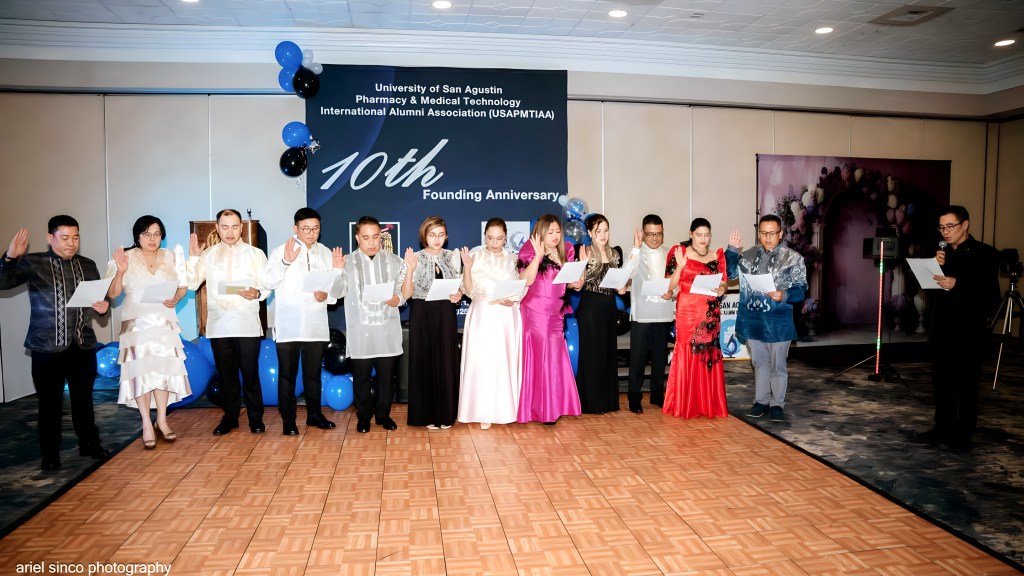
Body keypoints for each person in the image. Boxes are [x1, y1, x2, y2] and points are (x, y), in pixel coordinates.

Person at [0, 216, 111, 470]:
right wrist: (10, 257)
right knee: (49, 404)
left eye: (76, 237)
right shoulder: (33, 262)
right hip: (46, 347)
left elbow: (98, 304)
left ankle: (90, 444)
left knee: (84, 401)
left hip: (82, 345)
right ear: (50, 238)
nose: (72, 243)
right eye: (65, 238)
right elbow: (3, 282)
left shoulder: (88, 265)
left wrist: (103, 308)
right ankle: (50, 454)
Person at [918, 205, 999, 449]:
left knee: (966, 383)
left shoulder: (985, 253)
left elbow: (991, 296)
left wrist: (957, 284)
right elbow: (930, 289)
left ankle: (964, 433)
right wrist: (932, 268)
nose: (945, 231)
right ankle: (943, 426)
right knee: (941, 380)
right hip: (942, 326)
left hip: (968, 329)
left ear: (965, 225)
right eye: (941, 227)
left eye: (950, 226)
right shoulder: (941, 253)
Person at [106, 216, 191, 449]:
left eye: (156, 234)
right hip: (136, 325)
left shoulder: (172, 257)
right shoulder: (124, 257)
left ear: (162, 235)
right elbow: (112, 294)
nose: (152, 239)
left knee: (163, 371)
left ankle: (162, 420)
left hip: (164, 322)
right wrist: (120, 272)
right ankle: (146, 423)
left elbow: (183, 287)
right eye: (146, 234)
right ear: (137, 236)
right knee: (140, 373)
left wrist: (176, 298)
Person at [261, 207, 345, 436]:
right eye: (306, 229)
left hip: (316, 325)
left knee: (313, 374)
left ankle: (314, 415)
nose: (311, 233)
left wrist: (327, 293)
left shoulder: (326, 253)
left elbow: (338, 291)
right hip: (289, 325)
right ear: (295, 228)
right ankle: (288, 420)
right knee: (287, 376)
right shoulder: (281, 251)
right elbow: (267, 282)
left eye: (315, 228)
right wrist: (285, 262)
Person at [186, 208, 269, 436]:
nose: (230, 232)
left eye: (234, 226)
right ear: (217, 228)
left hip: (247, 324)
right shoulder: (208, 255)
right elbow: (192, 284)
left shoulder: (256, 254)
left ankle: (256, 419)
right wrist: (193, 258)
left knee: (250, 374)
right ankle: (230, 417)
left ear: (241, 227)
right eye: (224, 227)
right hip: (220, 325)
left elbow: (267, 285)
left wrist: (258, 293)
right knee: (226, 376)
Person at [726, 214, 807, 422]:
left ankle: (777, 404)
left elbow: (801, 289)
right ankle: (761, 401)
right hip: (753, 321)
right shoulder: (749, 255)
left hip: (778, 322)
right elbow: (731, 274)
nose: (767, 237)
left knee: (778, 365)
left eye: (772, 233)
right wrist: (732, 250)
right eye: (763, 233)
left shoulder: (793, 258)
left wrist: (784, 295)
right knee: (759, 363)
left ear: (781, 233)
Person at [339, 216, 407, 433]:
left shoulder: (395, 261)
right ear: (357, 238)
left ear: (381, 237)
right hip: (361, 331)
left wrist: (398, 299)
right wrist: (336, 271)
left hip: (387, 329)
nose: (371, 242)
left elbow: (404, 289)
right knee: (361, 378)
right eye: (366, 237)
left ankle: (383, 415)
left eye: (375, 237)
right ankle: (363, 417)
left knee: (386, 378)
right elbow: (337, 293)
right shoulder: (346, 262)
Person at [457, 218, 522, 429]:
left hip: (506, 314)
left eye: (499, 238)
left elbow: (520, 287)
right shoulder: (475, 256)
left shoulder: (513, 259)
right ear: (484, 236)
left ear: (505, 237)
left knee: (504, 360)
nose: (494, 243)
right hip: (482, 314)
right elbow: (468, 290)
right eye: (490, 238)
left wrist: (513, 299)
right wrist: (467, 268)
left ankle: (505, 409)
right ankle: (482, 411)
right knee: (482, 361)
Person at [517, 214, 582, 424]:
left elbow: (565, 282)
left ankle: (555, 406)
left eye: (558, 232)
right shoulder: (529, 250)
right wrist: (538, 256)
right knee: (540, 358)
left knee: (554, 359)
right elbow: (524, 281)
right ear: (540, 233)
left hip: (556, 312)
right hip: (536, 311)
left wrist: (576, 283)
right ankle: (541, 410)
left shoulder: (566, 250)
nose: (555, 236)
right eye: (550, 232)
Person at [663, 218, 729, 419]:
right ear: (690, 234)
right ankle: (686, 403)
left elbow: (724, 282)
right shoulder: (678, 252)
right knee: (687, 352)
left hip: (709, 312)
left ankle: (708, 403)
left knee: (708, 354)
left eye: (706, 235)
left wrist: (722, 289)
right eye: (699, 234)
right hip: (687, 311)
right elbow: (669, 285)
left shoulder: (717, 255)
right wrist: (680, 267)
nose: (703, 239)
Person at [402, 216, 463, 429]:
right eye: (432, 235)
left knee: (445, 360)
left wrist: (458, 295)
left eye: (440, 235)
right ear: (424, 236)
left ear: (446, 236)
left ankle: (446, 415)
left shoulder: (453, 256)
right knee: (423, 359)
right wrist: (410, 270)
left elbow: (460, 287)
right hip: (422, 313)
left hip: (445, 312)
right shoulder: (415, 258)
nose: (436, 239)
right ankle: (425, 415)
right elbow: (406, 294)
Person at [574, 213, 625, 414]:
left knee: (606, 353)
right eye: (598, 231)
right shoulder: (584, 251)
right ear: (589, 232)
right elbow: (578, 283)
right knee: (592, 354)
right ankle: (591, 402)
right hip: (591, 307)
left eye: (605, 230)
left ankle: (607, 401)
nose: (603, 235)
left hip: (609, 306)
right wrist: (582, 264)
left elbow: (619, 281)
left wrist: (622, 287)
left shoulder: (614, 253)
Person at [626, 214, 674, 413]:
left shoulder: (669, 253)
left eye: (658, 234)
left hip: (663, 313)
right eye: (650, 234)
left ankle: (657, 395)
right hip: (642, 315)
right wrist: (636, 248)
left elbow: (678, 280)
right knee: (638, 358)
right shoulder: (636, 253)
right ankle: (634, 397)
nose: (655, 238)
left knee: (659, 357)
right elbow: (627, 274)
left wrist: (672, 292)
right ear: (643, 234)